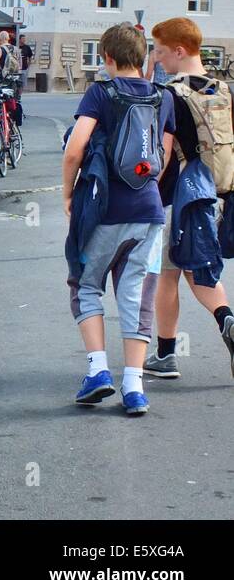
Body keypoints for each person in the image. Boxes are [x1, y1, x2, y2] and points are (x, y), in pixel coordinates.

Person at [62, 22, 175, 416]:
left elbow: (75, 149)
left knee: (86, 284)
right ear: (143, 58)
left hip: (104, 211)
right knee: (134, 294)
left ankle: (97, 372)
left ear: (107, 58)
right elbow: (160, 158)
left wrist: (68, 194)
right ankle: (134, 386)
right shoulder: (164, 97)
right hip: (149, 212)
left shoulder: (100, 93)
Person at [146, 16, 234, 378]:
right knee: (198, 268)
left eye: (162, 52)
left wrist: (149, 191)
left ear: (180, 51)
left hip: (182, 199)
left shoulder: (170, 95)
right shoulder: (224, 89)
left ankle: (166, 355)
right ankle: (226, 320)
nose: (158, 58)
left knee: (168, 273)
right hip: (219, 194)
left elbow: (164, 154)